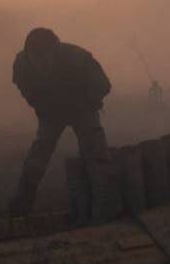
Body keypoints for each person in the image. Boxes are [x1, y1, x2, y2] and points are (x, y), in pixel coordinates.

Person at [8, 28, 112, 217]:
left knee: (96, 154)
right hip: (51, 110)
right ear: (28, 55)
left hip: (82, 108)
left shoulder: (78, 60)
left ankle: (103, 206)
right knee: (39, 154)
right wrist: (44, 106)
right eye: (36, 58)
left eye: (46, 58)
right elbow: (26, 90)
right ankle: (23, 203)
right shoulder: (22, 65)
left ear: (55, 53)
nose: (41, 65)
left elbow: (103, 85)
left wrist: (82, 104)